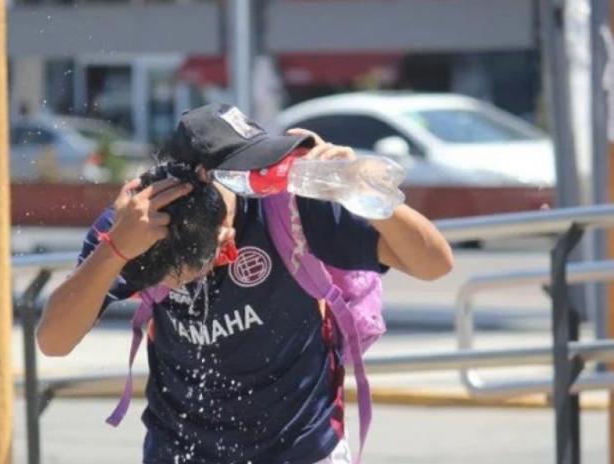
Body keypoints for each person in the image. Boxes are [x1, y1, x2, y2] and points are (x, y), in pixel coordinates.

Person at [37, 104, 453, 464]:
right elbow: (53, 341)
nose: (228, 245)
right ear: (196, 182)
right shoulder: (135, 225)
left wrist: (359, 191)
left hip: (302, 448)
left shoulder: (290, 206)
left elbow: (435, 263)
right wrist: (114, 251)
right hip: (180, 451)